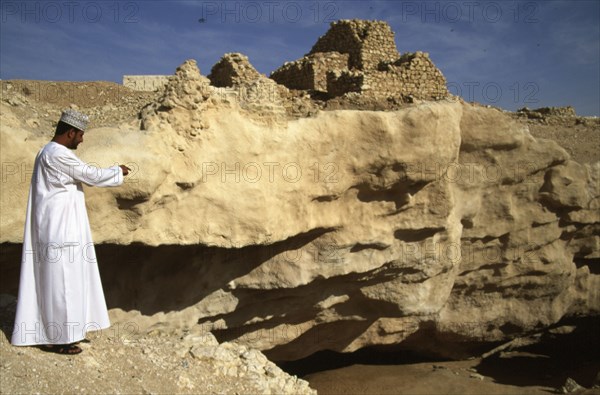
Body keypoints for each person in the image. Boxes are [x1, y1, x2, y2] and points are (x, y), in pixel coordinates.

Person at [11, 109, 130, 354]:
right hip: (60, 230)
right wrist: (118, 171)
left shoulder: (46, 151)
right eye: (80, 135)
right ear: (71, 132)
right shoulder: (58, 154)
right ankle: (58, 339)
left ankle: (53, 333)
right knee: (62, 284)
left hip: (57, 226)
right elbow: (90, 175)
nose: (82, 140)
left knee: (59, 283)